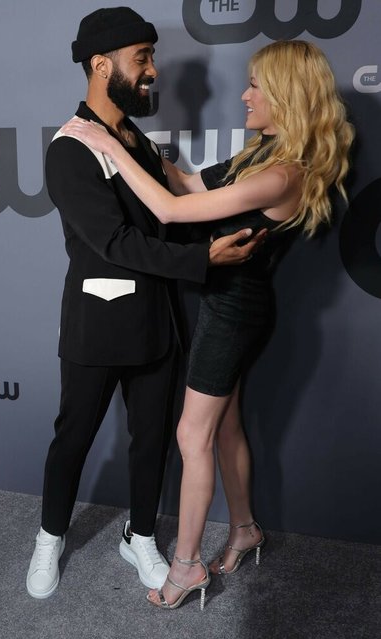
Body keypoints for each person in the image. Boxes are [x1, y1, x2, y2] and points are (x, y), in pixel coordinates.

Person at [61, 39, 355, 609]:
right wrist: (134, 141)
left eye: (256, 87)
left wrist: (106, 144)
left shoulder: (282, 175)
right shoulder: (262, 155)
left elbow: (170, 210)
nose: (244, 95)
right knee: (225, 427)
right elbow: (187, 184)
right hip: (233, 306)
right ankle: (244, 529)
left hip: (232, 314)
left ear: (287, 96)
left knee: (191, 435)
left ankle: (187, 565)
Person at [25, 7, 266, 600]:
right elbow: (113, 242)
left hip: (159, 321)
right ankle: (50, 536)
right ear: (101, 66)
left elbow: (170, 217)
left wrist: (221, 235)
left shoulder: (135, 139)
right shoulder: (71, 147)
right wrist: (203, 259)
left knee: (152, 439)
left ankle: (139, 536)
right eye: (142, 59)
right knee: (73, 437)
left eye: (152, 57)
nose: (153, 70)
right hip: (98, 324)